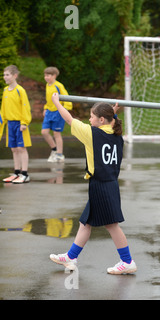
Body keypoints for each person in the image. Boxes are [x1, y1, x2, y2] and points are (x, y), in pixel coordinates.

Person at [49, 92, 137, 275]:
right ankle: (71, 256)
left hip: (101, 184)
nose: (89, 119)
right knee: (85, 223)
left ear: (102, 119)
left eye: (92, 116)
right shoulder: (116, 135)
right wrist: (113, 113)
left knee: (112, 225)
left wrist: (56, 102)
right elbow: (111, 123)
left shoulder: (92, 134)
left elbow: (69, 119)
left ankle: (127, 261)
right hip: (108, 183)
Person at [0, 65, 32, 184]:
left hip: (20, 123)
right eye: (4, 75)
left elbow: (25, 107)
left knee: (21, 148)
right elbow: (3, 108)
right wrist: (1, 120)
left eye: (7, 75)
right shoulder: (5, 90)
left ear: (15, 75)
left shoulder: (20, 90)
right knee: (14, 149)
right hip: (10, 124)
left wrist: (24, 122)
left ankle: (25, 174)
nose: (5, 77)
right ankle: (16, 172)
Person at [41, 66, 73, 163]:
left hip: (58, 112)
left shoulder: (58, 85)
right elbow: (49, 99)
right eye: (45, 75)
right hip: (49, 112)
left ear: (54, 76)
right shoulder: (47, 85)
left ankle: (59, 154)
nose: (46, 77)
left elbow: (66, 97)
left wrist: (65, 109)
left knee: (56, 133)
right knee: (44, 132)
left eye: (48, 75)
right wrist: (45, 108)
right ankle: (54, 150)